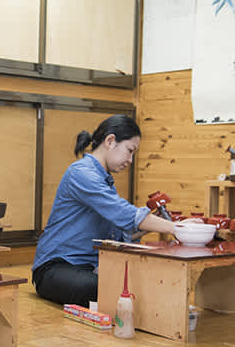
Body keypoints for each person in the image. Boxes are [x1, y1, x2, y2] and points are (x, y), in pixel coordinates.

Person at [32, 114, 179, 307]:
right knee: (109, 288)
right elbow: (125, 214)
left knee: (139, 283)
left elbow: (118, 233)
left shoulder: (104, 180)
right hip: (55, 269)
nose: (130, 160)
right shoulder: (81, 173)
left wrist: (154, 224)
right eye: (129, 150)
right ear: (110, 141)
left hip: (88, 268)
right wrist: (176, 228)